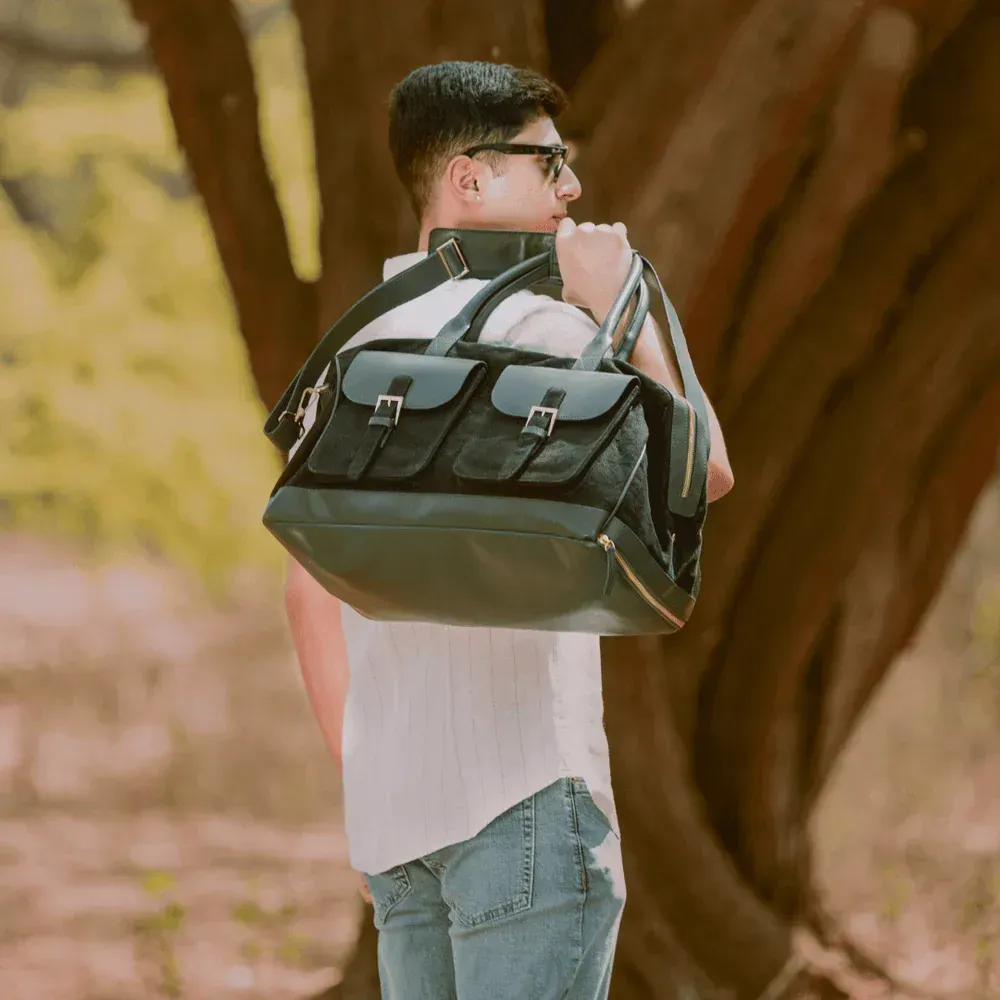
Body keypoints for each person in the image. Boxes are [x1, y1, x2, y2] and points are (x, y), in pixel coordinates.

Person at [284, 61, 734, 1000]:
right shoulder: (544, 331)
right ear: (471, 179)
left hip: (397, 827)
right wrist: (621, 298)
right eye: (550, 162)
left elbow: (306, 588)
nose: (572, 187)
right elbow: (707, 471)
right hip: (526, 800)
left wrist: (366, 780)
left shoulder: (359, 353)